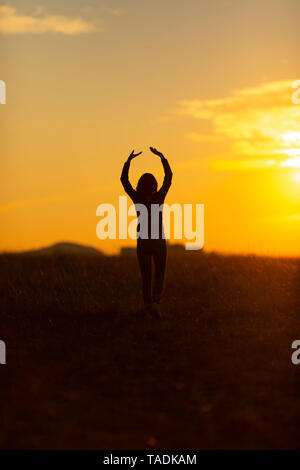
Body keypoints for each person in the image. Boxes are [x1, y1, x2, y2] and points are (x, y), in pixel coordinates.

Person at [121, 147, 173, 316]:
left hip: (143, 241)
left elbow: (124, 180)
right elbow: (169, 178)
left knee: (146, 277)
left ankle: (147, 305)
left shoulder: (137, 198)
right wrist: (162, 157)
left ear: (140, 185)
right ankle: (156, 301)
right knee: (159, 273)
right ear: (154, 185)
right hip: (158, 241)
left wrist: (128, 162)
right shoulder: (159, 197)